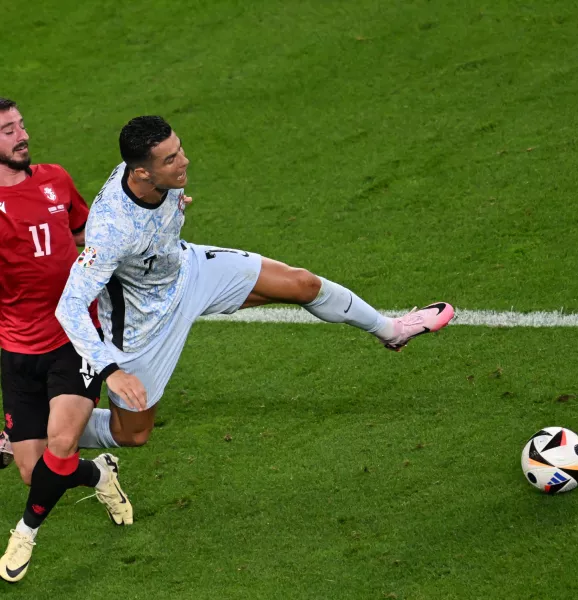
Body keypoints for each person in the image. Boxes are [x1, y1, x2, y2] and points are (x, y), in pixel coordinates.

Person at [56, 114, 454, 450]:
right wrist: (113, 371)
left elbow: (152, 219)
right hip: (143, 324)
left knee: (302, 284)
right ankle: (41, 428)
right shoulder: (110, 229)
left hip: (188, 271)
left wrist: (174, 204)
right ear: (142, 171)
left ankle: (393, 330)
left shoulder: (158, 180)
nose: (185, 162)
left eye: (180, 149)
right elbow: (70, 305)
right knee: (133, 435)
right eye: (172, 158)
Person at [0, 98, 133, 584]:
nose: (21, 135)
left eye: (20, 125)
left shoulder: (55, 177)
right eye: (7, 130)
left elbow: (86, 233)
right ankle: (99, 474)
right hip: (17, 350)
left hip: (74, 337)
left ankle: (25, 532)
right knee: (38, 472)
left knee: (61, 441)